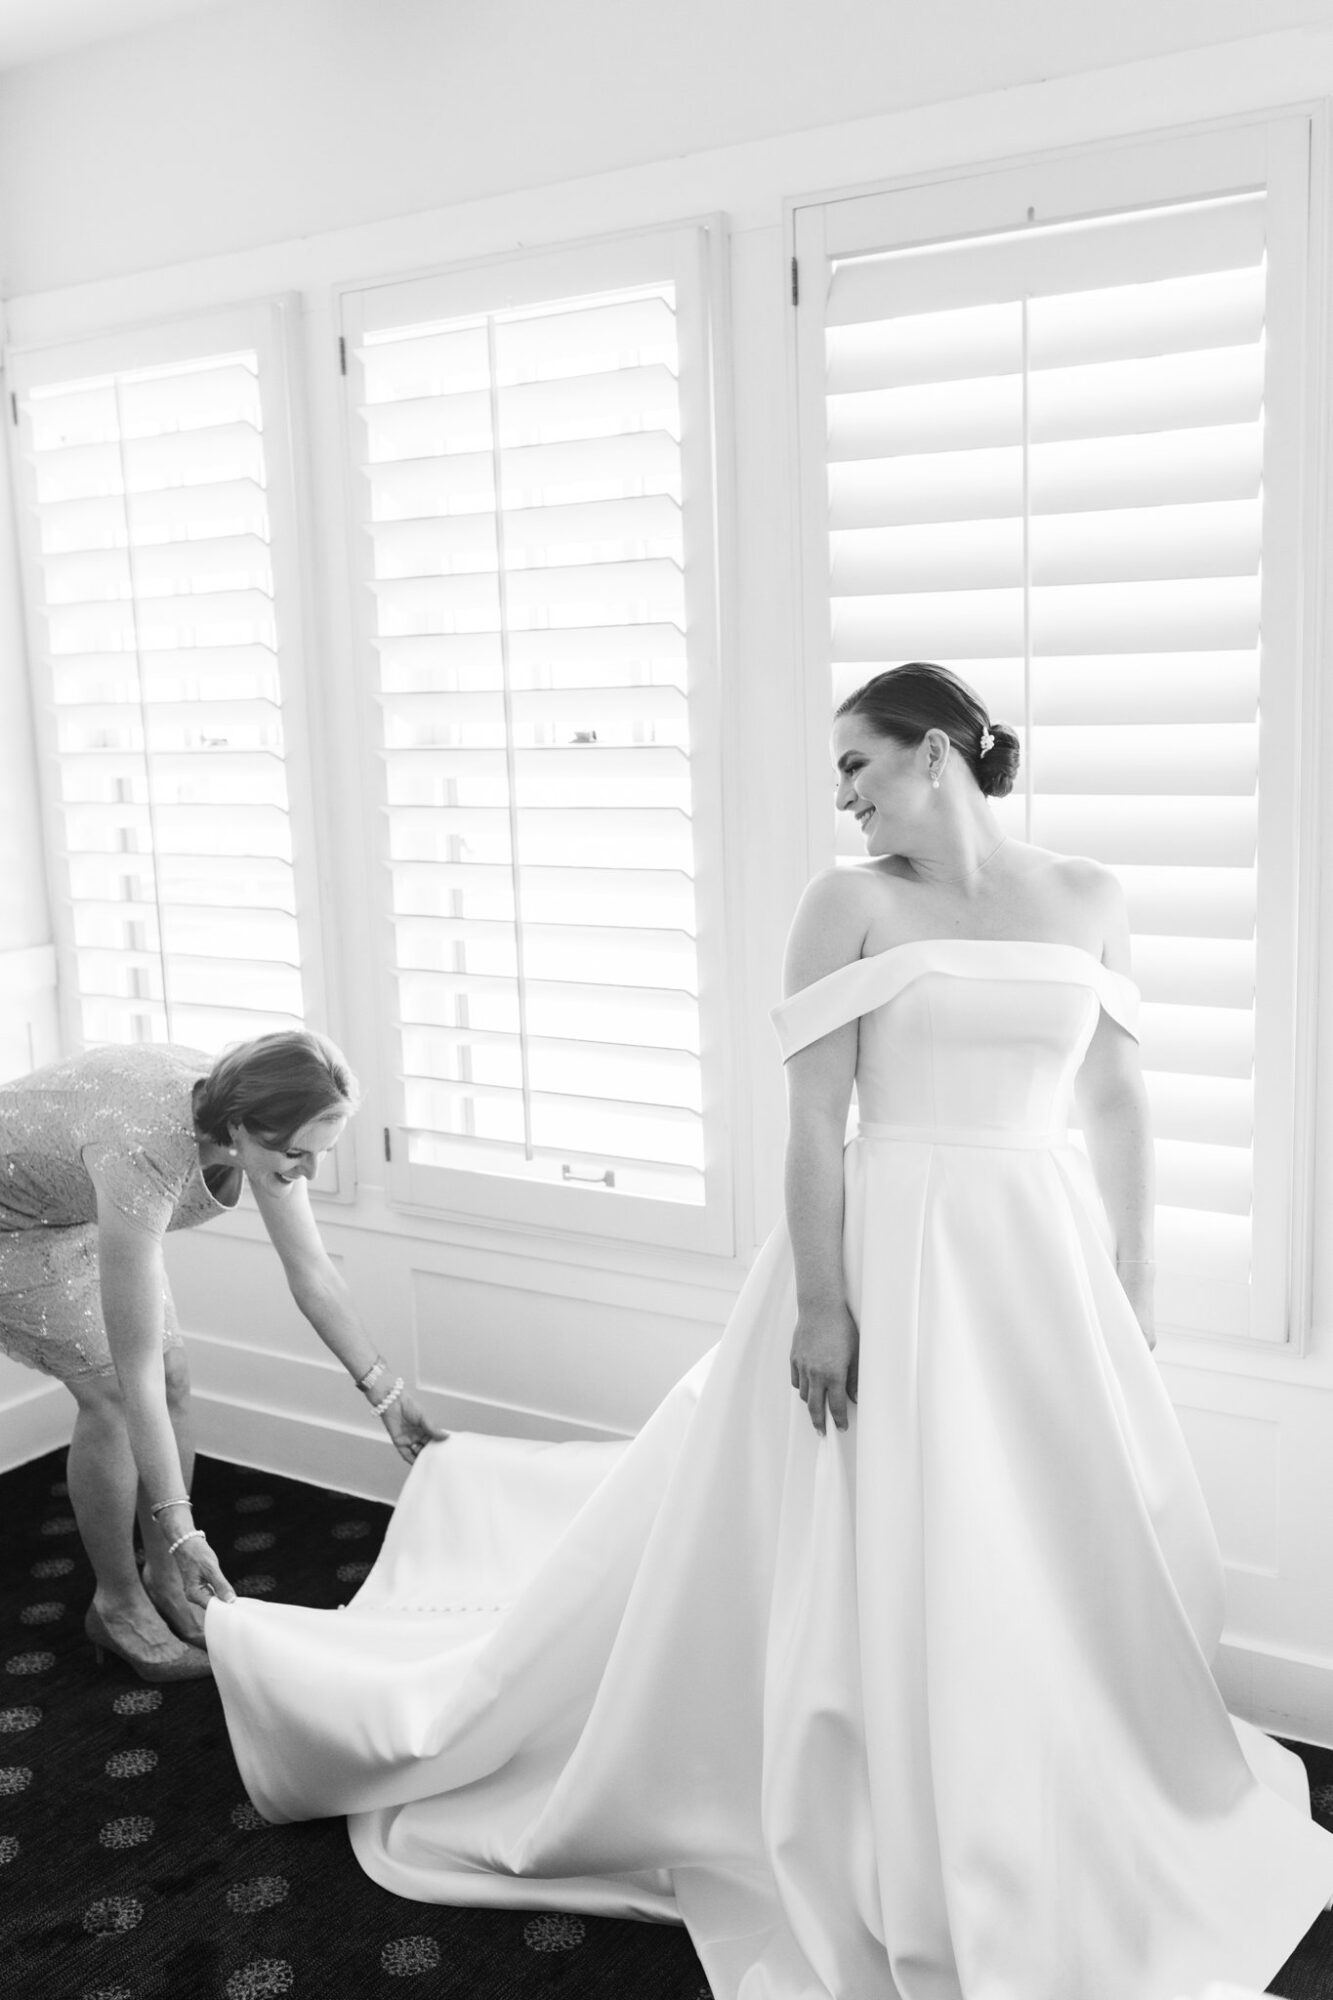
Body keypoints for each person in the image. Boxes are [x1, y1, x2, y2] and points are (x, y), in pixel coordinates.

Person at [207, 667, 1333, 1999]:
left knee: (1047, 1523)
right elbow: (812, 1121)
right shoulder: (842, 905)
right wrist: (818, 1300)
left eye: (857, 766)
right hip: (888, 1245)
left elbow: (1123, 1103)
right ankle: (889, 1783)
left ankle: (1049, 1774)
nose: (843, 798)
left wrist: (1133, 1280)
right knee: (886, 1522)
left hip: (1038, 1252)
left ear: (935, 753)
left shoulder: (1090, 899)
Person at [0, 1029, 440, 1683]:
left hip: (81, 1194)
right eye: (298, 1154)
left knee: (175, 1377)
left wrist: (387, 1396)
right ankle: (118, 1607)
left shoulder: (258, 1114)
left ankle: (166, 1578)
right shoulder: (148, 1150)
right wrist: (185, 1527)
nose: (309, 1172)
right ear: (238, 1130)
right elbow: (134, 1371)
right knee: (116, 1393)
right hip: (12, 1218)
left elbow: (312, 1272)